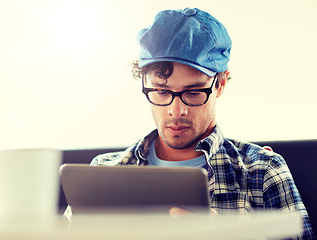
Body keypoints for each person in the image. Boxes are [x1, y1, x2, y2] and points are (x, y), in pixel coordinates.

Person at [69, 7, 315, 239]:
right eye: (162, 91)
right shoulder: (102, 173)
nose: (177, 111)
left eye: (194, 92)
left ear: (220, 84)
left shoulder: (262, 171)